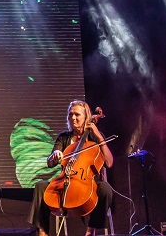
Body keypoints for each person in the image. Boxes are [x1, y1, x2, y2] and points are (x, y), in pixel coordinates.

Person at [29, 101, 114, 236]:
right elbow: (50, 163)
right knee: (40, 186)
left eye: (77, 114)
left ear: (86, 117)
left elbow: (109, 163)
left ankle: (91, 230)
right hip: (65, 181)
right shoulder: (63, 137)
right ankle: (42, 232)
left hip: (89, 184)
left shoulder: (94, 137)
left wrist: (98, 136)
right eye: (70, 114)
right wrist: (55, 155)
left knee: (106, 189)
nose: (73, 118)